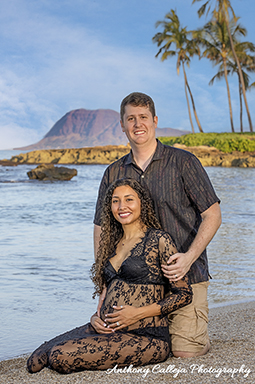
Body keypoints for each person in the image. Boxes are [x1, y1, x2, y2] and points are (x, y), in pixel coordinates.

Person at [93, 92, 222, 358]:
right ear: (122, 125)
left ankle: (199, 336)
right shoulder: (113, 173)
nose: (137, 124)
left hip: (183, 277)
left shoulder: (184, 162)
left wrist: (188, 258)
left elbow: (213, 214)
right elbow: (102, 228)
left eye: (143, 117)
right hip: (132, 283)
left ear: (155, 121)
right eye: (131, 119)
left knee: (183, 352)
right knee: (110, 342)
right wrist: (104, 282)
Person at [27, 178, 192, 374]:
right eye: (115, 201)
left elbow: (184, 294)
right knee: (36, 360)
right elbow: (112, 291)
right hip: (106, 329)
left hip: (147, 336)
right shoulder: (112, 243)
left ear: (142, 203)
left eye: (129, 199)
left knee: (59, 356)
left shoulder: (159, 240)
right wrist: (96, 317)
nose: (122, 206)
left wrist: (137, 313)